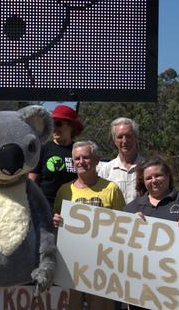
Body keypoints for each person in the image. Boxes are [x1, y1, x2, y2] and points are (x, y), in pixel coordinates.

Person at [123, 156, 179, 310]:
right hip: (139, 280)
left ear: (168, 177)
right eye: (148, 178)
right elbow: (118, 240)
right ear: (143, 182)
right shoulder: (134, 206)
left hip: (175, 280)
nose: (154, 180)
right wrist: (129, 224)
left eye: (158, 175)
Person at [53, 141, 125, 310]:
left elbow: (124, 225)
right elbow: (56, 221)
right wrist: (56, 221)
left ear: (97, 160)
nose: (81, 161)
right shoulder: (64, 190)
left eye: (86, 157)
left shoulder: (111, 189)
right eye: (76, 158)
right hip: (72, 264)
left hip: (103, 264)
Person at [29, 105, 83, 207]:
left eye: (58, 124)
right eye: (51, 124)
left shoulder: (79, 151)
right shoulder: (43, 149)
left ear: (71, 126)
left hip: (72, 208)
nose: (54, 128)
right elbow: (32, 182)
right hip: (46, 206)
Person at [96, 117, 144, 204]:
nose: (124, 141)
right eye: (120, 137)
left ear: (136, 138)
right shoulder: (106, 170)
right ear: (114, 140)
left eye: (128, 136)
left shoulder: (147, 167)